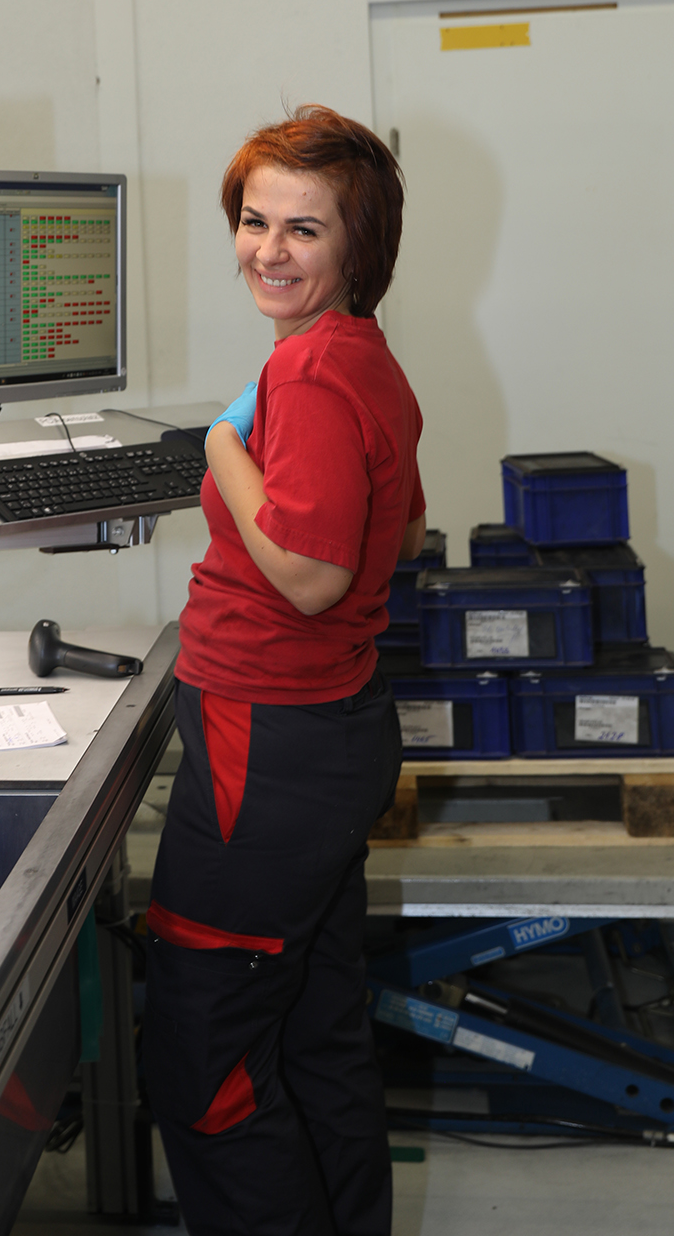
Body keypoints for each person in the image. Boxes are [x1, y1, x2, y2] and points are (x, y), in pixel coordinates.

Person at [144, 104, 426, 1236]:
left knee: (204, 1055)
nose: (268, 249)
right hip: (332, 733)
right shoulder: (363, 356)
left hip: (267, 739)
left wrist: (222, 448)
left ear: (358, 246)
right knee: (316, 1033)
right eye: (254, 220)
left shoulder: (306, 374)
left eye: (304, 229)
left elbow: (311, 575)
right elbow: (403, 529)